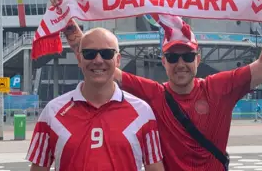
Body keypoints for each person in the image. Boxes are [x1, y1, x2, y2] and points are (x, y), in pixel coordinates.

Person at [52, 0, 262, 171]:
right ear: (163, 61)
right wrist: (67, 19)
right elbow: (102, 64)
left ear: (198, 58)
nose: (181, 64)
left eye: (187, 56)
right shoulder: (155, 94)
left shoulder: (219, 87)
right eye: (173, 57)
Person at [27, 28, 165, 171]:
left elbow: (155, 168)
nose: (98, 60)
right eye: (89, 54)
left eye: (107, 54)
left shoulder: (143, 113)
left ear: (117, 60)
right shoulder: (51, 112)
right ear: (79, 59)